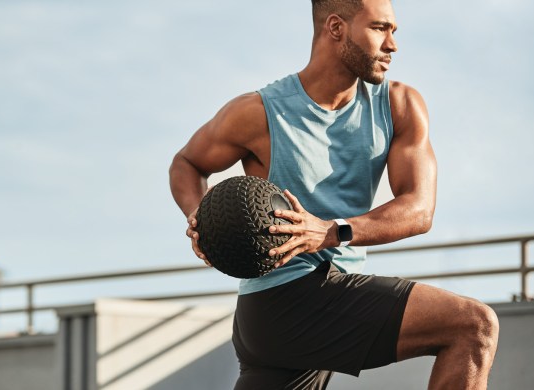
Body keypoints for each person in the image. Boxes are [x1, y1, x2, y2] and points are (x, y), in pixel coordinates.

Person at [169, 0, 499, 388]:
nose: (392, 45)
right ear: (337, 28)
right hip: (282, 298)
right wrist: (202, 220)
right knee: (472, 325)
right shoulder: (258, 112)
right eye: (380, 28)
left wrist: (332, 230)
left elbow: (419, 209)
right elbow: (187, 164)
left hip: (306, 308)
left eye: (394, 31)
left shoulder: (399, 107)